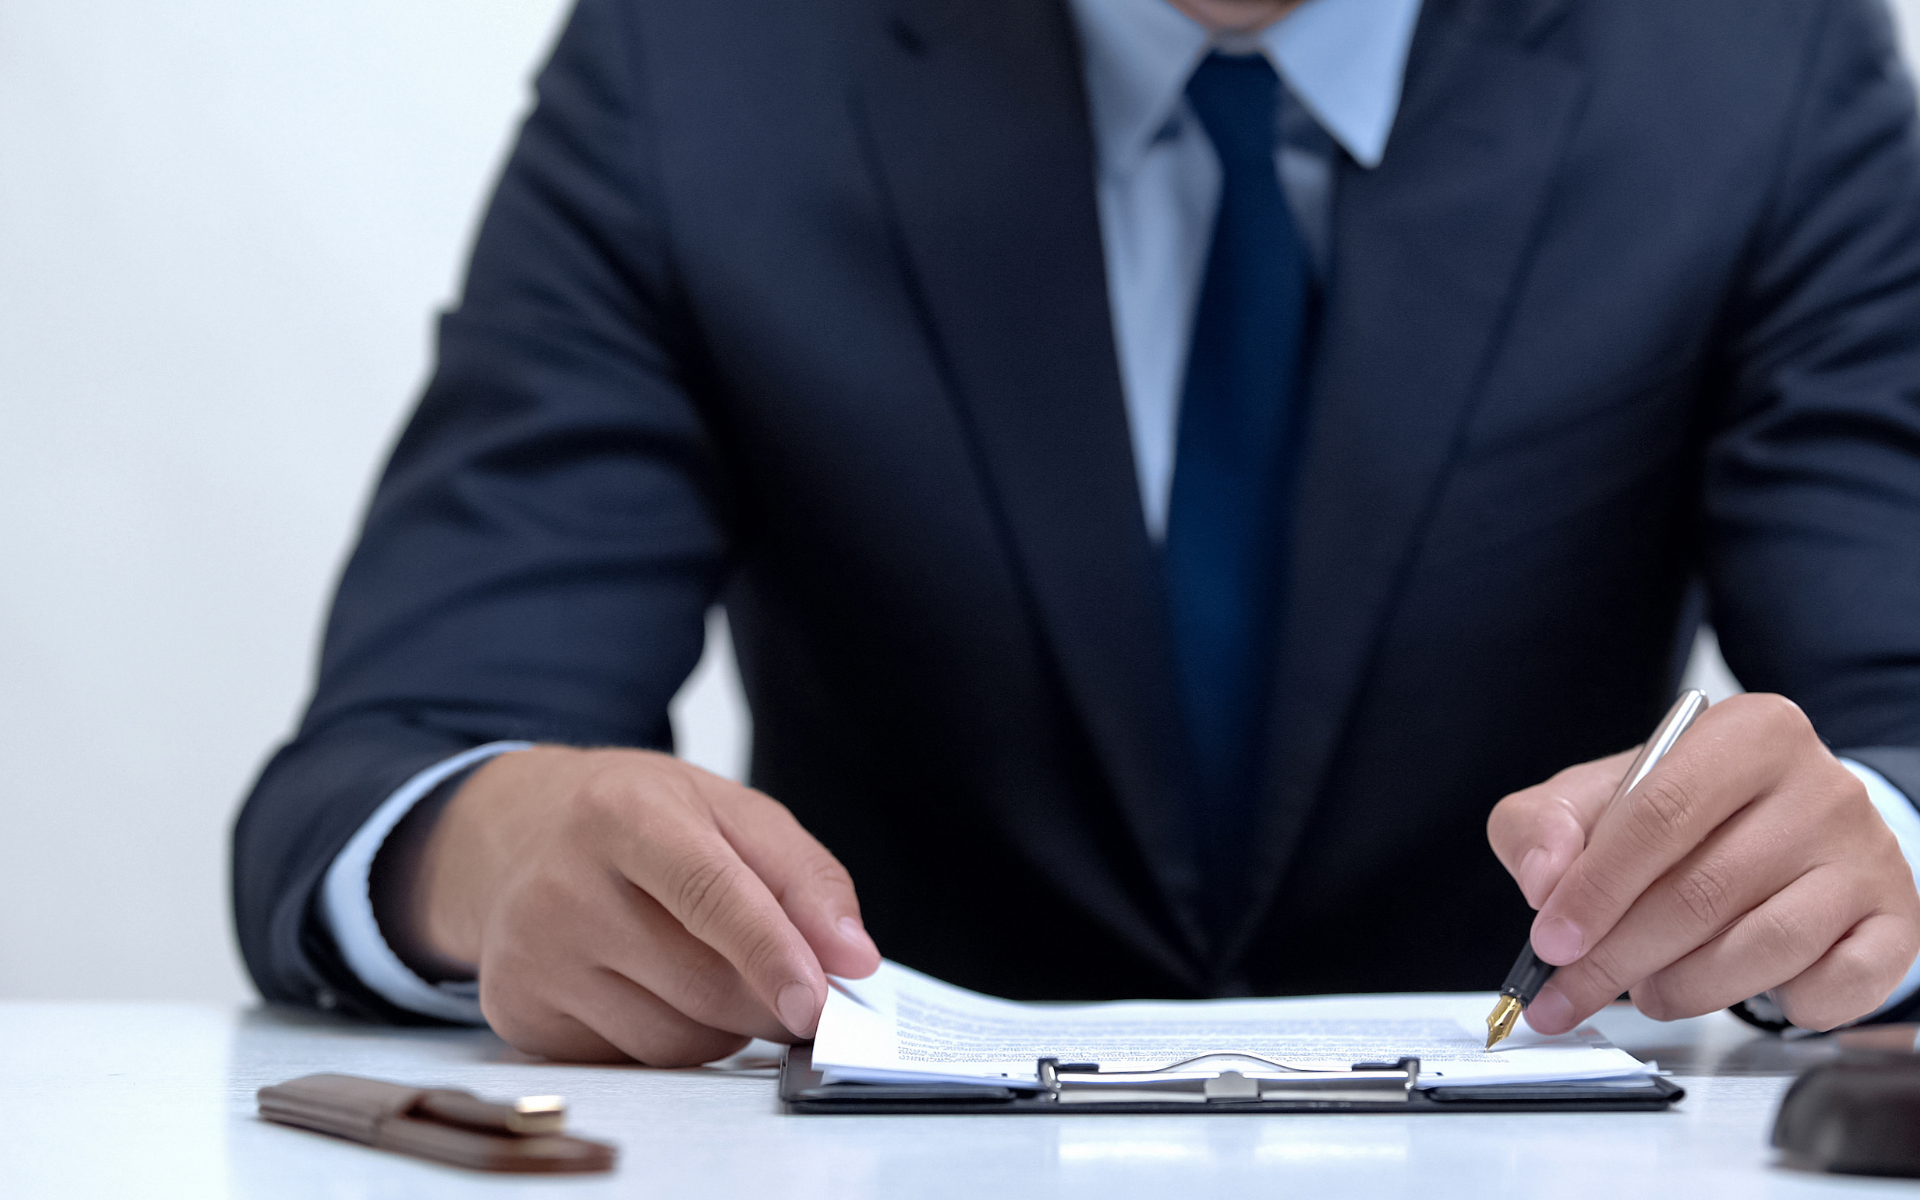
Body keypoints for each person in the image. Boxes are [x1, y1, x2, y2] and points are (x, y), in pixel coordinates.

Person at [234, 0, 1920, 1066]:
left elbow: (1901, 721)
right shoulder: (699, 59)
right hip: (876, 1159)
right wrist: (501, 849)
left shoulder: (1757, 61)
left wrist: (1864, 861)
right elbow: (382, 770)